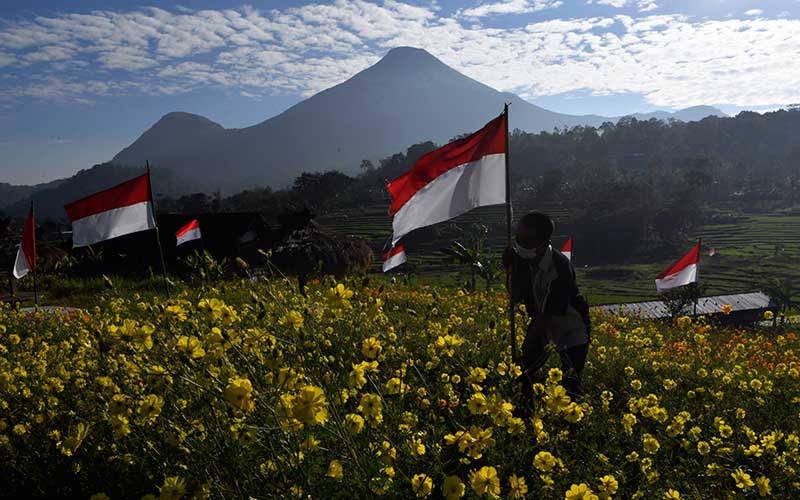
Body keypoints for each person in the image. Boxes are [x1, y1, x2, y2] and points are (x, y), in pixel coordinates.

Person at [502, 212, 590, 401]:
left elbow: (545, 317)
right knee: (525, 375)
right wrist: (509, 270)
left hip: (571, 327)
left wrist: (527, 348)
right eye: (518, 236)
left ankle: (574, 419)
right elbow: (515, 295)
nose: (519, 242)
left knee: (570, 382)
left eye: (525, 238)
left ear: (540, 240)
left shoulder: (559, 267)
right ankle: (525, 410)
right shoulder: (522, 261)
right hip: (542, 322)